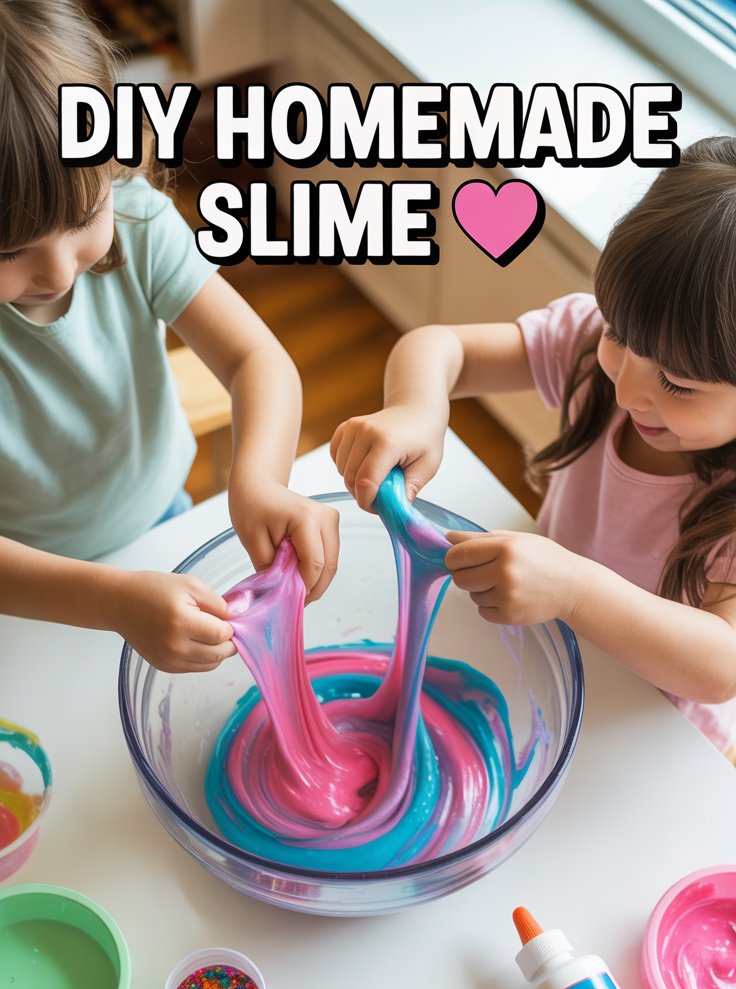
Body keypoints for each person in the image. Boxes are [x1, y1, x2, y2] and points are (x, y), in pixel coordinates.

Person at [331, 137, 736, 756]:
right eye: (620, 336)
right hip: (537, 641)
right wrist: (417, 409)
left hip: (645, 724)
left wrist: (575, 590)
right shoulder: (588, 345)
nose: (626, 386)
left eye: (678, 384)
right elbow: (444, 348)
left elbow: (718, 665)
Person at [0, 0, 338, 674]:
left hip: (162, 521)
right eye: (9, 252)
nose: (61, 269)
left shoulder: (138, 221)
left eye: (83, 216)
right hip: (28, 586)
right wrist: (115, 603)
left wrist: (260, 480)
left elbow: (256, 359)